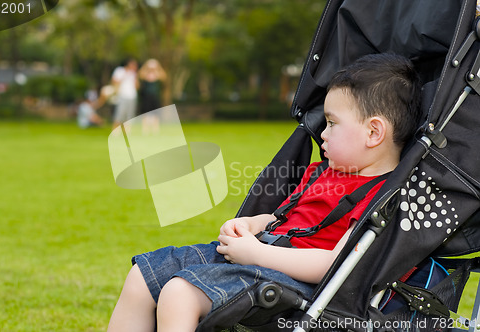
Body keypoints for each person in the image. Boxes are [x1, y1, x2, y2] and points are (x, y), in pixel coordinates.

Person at [106, 53, 422, 332]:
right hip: (261, 252)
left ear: (373, 132)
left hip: (300, 284)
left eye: (331, 123)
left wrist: (257, 254)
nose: (322, 134)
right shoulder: (321, 173)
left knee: (179, 293)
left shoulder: (381, 196)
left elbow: (336, 263)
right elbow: (286, 218)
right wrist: (254, 224)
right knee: (141, 277)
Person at [111, 58, 139, 129]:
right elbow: (114, 81)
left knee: (130, 116)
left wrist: (135, 77)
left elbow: (137, 87)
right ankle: (115, 132)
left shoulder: (134, 73)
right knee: (119, 114)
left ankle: (127, 133)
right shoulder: (119, 70)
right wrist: (125, 75)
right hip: (122, 95)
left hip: (132, 96)